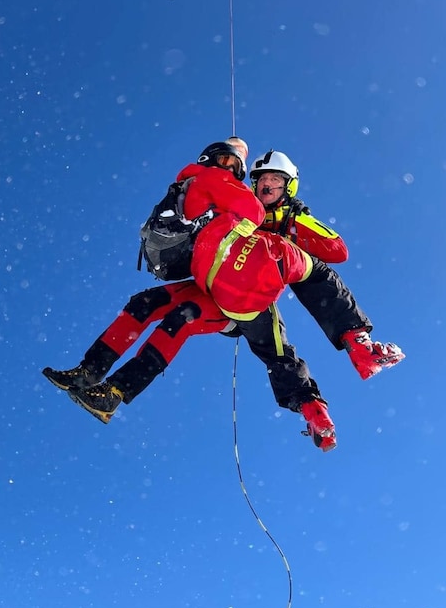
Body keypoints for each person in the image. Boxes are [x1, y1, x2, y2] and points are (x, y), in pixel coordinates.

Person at [43, 140, 336, 450]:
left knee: (183, 320)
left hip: (240, 302)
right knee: (144, 303)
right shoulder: (211, 194)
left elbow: (330, 252)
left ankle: (114, 392)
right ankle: (88, 372)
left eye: (234, 168)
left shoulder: (262, 210)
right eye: (224, 162)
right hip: (209, 283)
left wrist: (289, 223)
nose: (228, 170)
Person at [248, 149, 405, 379]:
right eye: (262, 179)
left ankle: (359, 349)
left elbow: (338, 250)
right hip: (235, 275)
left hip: (262, 285)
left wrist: (295, 233)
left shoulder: (293, 218)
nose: (267, 184)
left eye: (274, 179)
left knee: (312, 271)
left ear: (288, 187)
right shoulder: (245, 211)